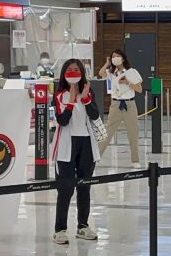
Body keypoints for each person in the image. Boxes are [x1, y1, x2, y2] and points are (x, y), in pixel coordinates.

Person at [51, 59, 101, 245]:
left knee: (84, 185)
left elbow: (95, 115)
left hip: (86, 143)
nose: (73, 72)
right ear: (64, 73)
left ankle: (83, 226)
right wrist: (71, 102)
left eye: (76, 69)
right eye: (69, 69)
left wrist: (86, 98)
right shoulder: (59, 95)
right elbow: (62, 120)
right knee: (65, 188)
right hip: (66, 144)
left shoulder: (88, 91)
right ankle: (60, 229)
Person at [97, 50, 143, 169]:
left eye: (118, 56)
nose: (115, 58)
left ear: (123, 58)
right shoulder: (111, 73)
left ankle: (135, 160)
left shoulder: (131, 72)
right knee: (108, 132)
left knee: (133, 133)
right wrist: (107, 63)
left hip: (130, 104)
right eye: (113, 57)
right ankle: (96, 157)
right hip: (116, 105)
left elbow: (139, 89)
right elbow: (101, 73)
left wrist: (128, 82)